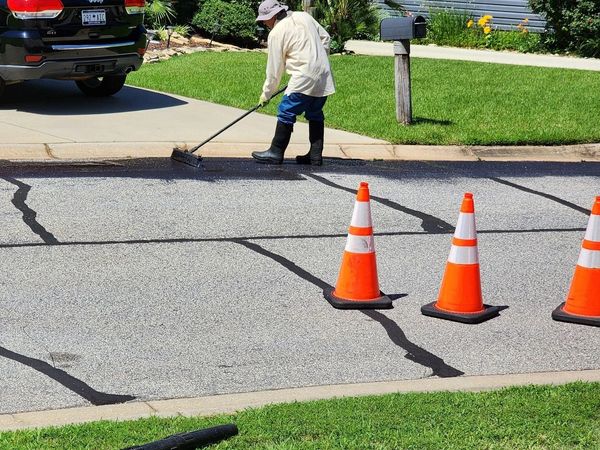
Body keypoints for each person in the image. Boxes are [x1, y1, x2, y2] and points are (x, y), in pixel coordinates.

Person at [252, 0, 335, 166]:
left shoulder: (276, 33)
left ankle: (275, 152)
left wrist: (266, 94)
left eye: (264, 19)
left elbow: (274, 70)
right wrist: (318, 57)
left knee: (286, 111)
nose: (263, 23)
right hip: (324, 74)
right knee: (315, 112)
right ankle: (315, 156)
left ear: (273, 16)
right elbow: (325, 38)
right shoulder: (304, 16)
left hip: (303, 76)